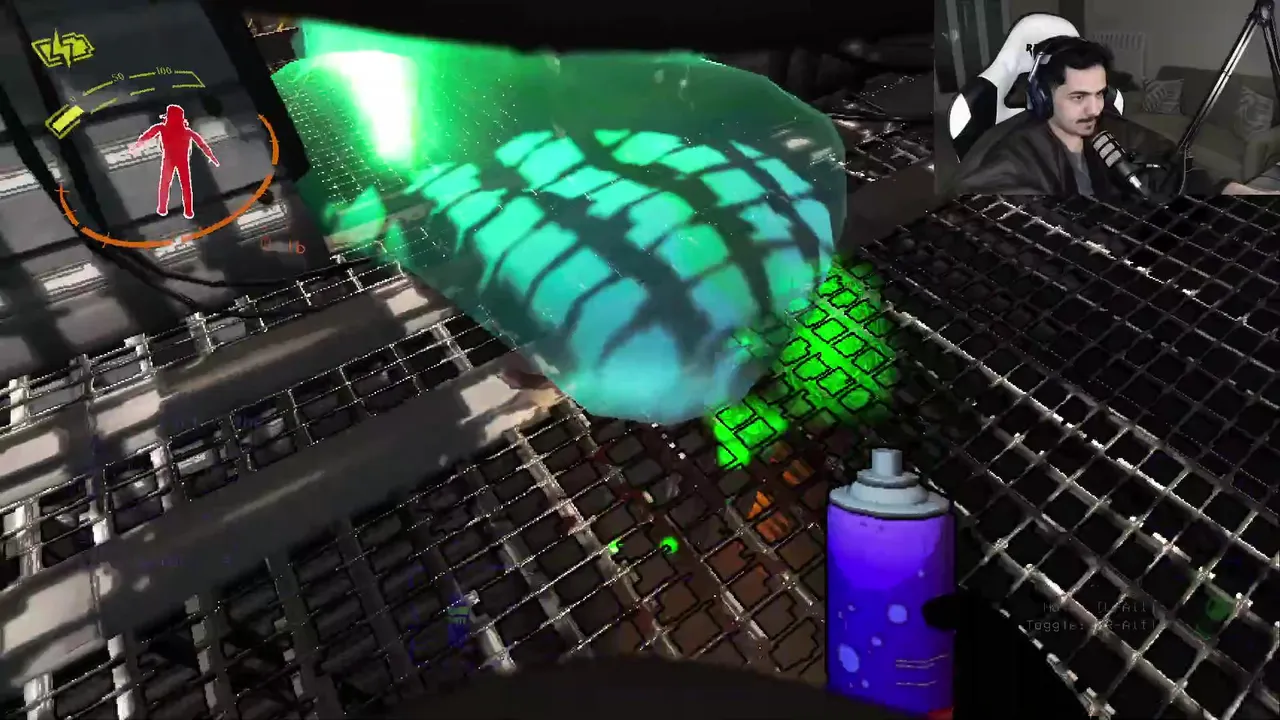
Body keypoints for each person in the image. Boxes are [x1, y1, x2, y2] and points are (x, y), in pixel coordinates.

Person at [952, 36, 1268, 198]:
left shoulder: (1110, 127)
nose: (1095, 109)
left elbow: (1174, 167)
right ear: (1044, 97)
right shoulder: (1014, 155)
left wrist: (1228, 189)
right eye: (1078, 97)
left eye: (1100, 94)